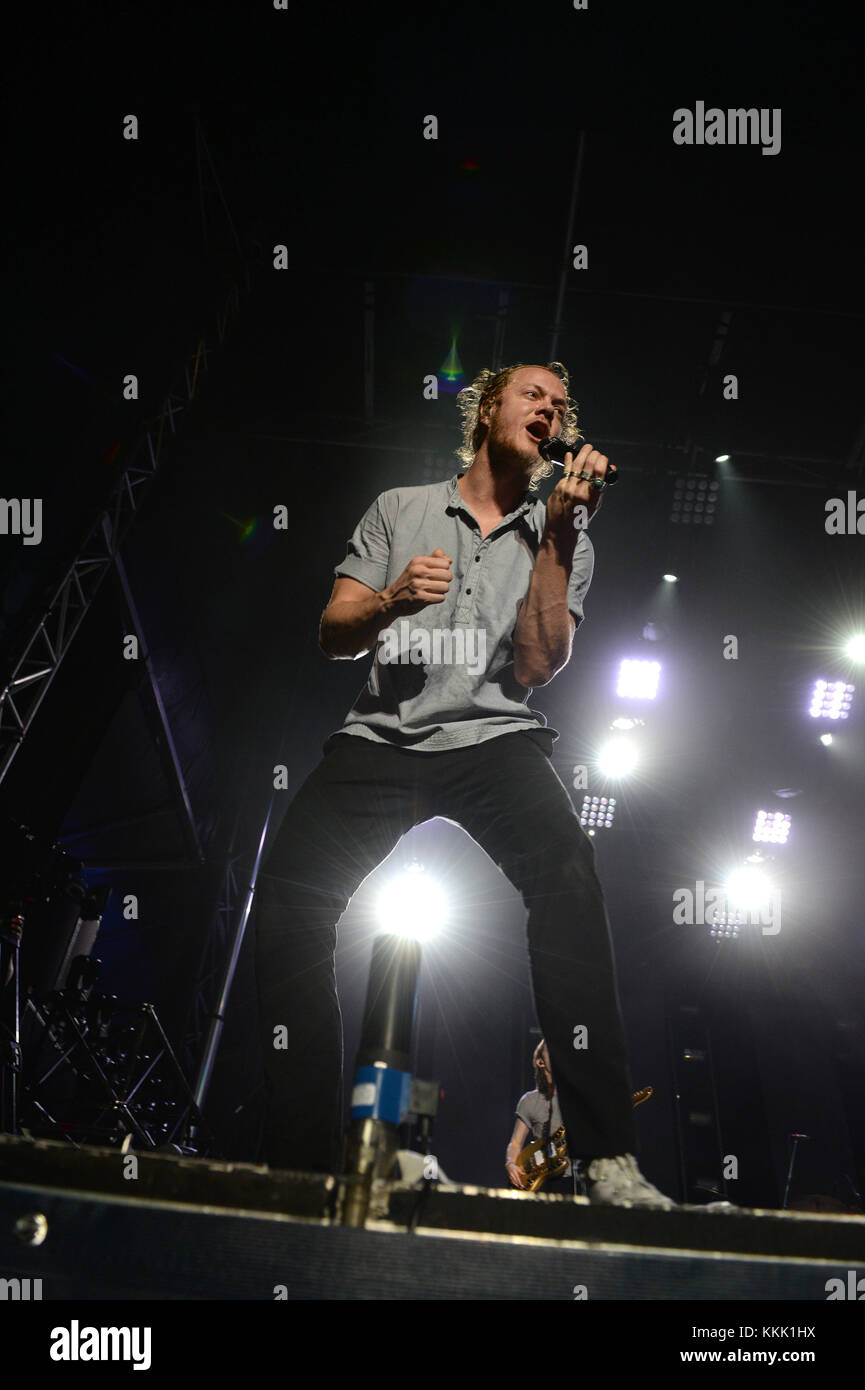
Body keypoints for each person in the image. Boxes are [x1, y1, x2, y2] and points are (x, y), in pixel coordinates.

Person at [254, 359, 674, 1208]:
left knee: (566, 876)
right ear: (488, 410)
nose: (549, 409)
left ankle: (607, 1162)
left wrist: (557, 536)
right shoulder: (400, 509)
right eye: (533, 395)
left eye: (561, 404)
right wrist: (391, 600)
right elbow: (333, 632)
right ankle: (299, 1168)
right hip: (382, 738)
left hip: (493, 737)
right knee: (288, 904)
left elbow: (535, 664)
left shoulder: (565, 530)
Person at [506, 1039, 579, 1194]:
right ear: (540, 1062)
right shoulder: (529, 1101)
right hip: (538, 1180)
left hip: (567, 1179)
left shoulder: (575, 1098)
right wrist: (511, 1163)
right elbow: (515, 1142)